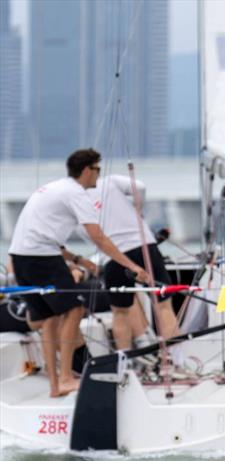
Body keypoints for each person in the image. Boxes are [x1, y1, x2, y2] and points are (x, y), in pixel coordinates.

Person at [8, 148, 148, 397]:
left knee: (50, 319)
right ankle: (64, 377)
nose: (98, 176)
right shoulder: (76, 193)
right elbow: (98, 237)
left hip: (21, 257)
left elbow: (43, 233)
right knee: (74, 309)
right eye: (97, 170)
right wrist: (131, 265)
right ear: (86, 170)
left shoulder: (53, 188)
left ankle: (56, 384)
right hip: (42, 258)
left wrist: (78, 259)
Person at [88, 175, 179, 351]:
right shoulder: (109, 181)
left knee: (120, 312)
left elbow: (91, 237)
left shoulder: (75, 199)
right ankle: (176, 361)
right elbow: (140, 186)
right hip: (143, 245)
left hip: (113, 256)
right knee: (163, 306)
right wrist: (136, 209)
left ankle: (124, 364)